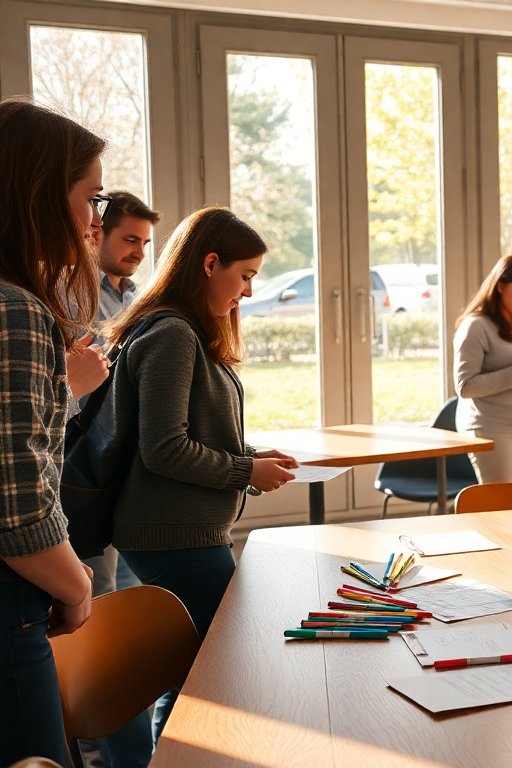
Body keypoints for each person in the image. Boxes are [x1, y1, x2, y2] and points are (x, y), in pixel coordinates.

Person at [103, 206, 297, 740]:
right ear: (210, 263)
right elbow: (164, 449)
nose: (249, 292)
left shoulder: (183, 330)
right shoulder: (173, 334)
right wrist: (245, 469)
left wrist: (252, 456)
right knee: (209, 676)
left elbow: (189, 433)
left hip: (185, 531)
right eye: (246, 275)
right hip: (174, 534)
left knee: (194, 672)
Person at [0, 96, 103, 766]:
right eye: (91, 198)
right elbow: (17, 507)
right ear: (39, 194)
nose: (96, 219)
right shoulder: (15, 309)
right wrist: (78, 585)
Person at [75, 191, 160, 768]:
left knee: (127, 613)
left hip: (125, 471)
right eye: (129, 239)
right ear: (98, 232)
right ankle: (104, 749)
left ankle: (133, 747)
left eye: (144, 243)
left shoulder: (131, 298)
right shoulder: (74, 295)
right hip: (85, 470)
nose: (137, 252)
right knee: (99, 614)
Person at [453, 254, 512, 483]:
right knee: (500, 500)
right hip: (490, 427)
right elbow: (465, 387)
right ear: (501, 285)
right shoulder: (475, 326)